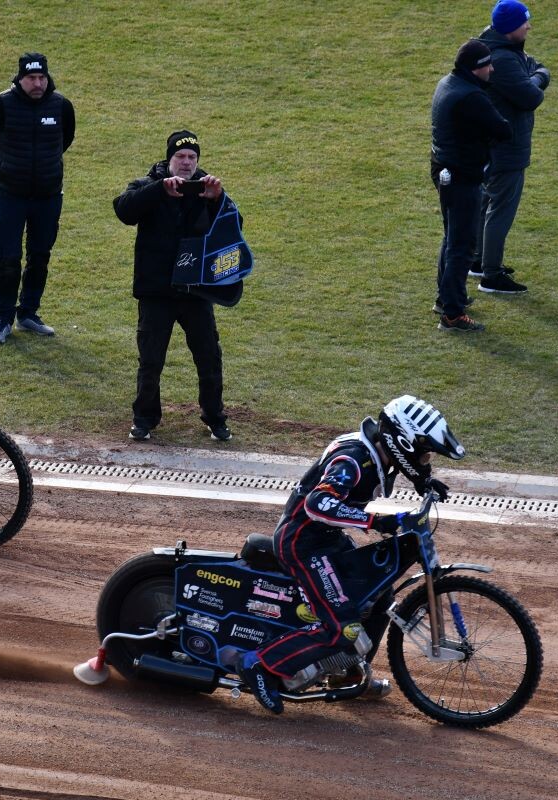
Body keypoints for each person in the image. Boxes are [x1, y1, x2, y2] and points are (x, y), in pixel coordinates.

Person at [237, 396, 465, 714]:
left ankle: (347, 675)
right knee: (342, 629)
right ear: (402, 442)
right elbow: (318, 504)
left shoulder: (379, 451)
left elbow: (404, 465)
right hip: (303, 546)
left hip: (326, 540)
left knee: (379, 594)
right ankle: (260, 664)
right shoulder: (354, 461)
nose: (425, 460)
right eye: (424, 454)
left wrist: (423, 480)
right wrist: (377, 521)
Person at [113, 130, 234, 442]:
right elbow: (123, 210)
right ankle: (144, 419)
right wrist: (159, 191)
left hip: (196, 291)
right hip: (157, 292)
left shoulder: (209, 187)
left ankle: (215, 418)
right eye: (180, 156)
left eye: (192, 157)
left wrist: (217, 201)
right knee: (151, 361)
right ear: (169, 160)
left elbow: (235, 226)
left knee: (209, 357)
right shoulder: (147, 185)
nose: (186, 162)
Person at [0, 52, 75, 344]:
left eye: (42, 78)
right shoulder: (0, 106)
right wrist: (9, 167)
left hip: (48, 197)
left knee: (40, 255)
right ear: (20, 79)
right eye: (31, 78)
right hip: (10, 196)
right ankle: (3, 318)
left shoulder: (61, 106)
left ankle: (29, 313)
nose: (37, 83)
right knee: (7, 258)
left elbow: (66, 139)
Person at [430, 40, 513, 332]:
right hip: (463, 177)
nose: (491, 69)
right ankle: (452, 314)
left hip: (444, 171)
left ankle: (446, 299)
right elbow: (504, 130)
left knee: (452, 237)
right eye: (486, 66)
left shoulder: (447, 83)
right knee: (461, 246)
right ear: (473, 69)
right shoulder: (472, 97)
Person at [471, 0, 550, 295]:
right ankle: (490, 275)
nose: (529, 26)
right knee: (500, 210)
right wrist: (539, 77)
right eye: (524, 22)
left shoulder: (500, 50)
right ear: (508, 29)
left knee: (488, 205)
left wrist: (533, 74)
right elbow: (532, 96)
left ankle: (479, 261)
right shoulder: (503, 60)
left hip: (496, 143)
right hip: (508, 146)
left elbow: (532, 66)